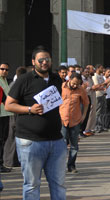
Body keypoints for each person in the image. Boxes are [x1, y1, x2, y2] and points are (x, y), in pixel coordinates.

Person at [5, 45, 67, 199]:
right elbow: (8, 105)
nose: (44, 62)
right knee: (32, 184)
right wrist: (29, 109)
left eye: (47, 59)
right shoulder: (24, 80)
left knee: (59, 183)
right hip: (30, 142)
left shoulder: (56, 79)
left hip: (56, 141)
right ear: (34, 62)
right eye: (41, 60)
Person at [60, 73, 89, 173]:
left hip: (75, 120)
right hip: (63, 120)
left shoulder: (81, 90)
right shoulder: (61, 87)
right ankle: (60, 165)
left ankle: (71, 165)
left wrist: (84, 115)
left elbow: (86, 103)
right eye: (73, 83)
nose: (75, 86)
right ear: (69, 80)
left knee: (74, 145)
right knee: (61, 144)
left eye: (77, 84)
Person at [0, 63, 13, 173]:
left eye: (6, 69)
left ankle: (2, 163)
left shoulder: (5, 81)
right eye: (2, 69)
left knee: (4, 139)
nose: (4, 71)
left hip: (6, 114)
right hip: (1, 114)